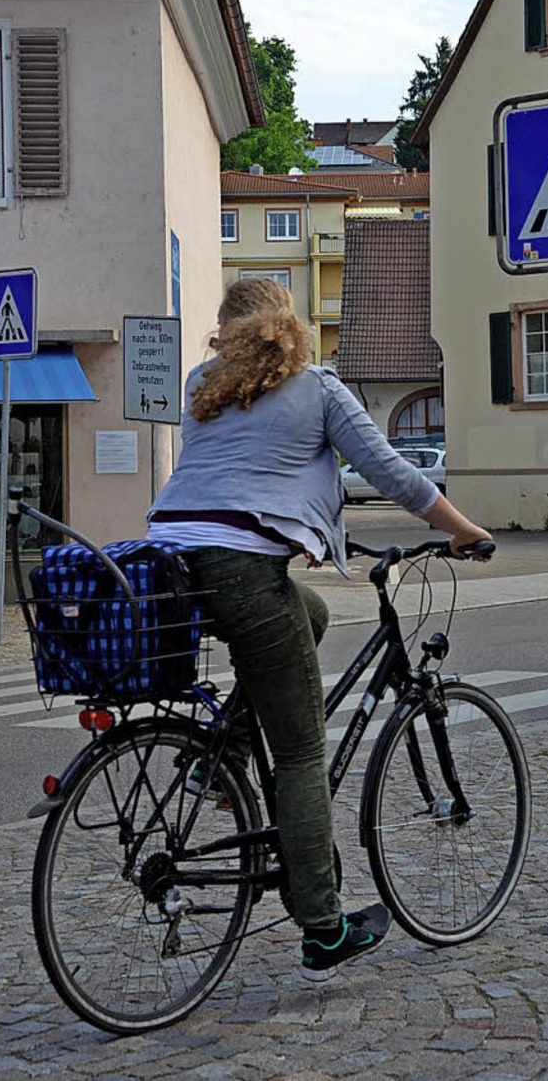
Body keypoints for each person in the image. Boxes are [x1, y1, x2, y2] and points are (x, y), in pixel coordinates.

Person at [147, 278, 493, 981]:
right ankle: (324, 927)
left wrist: (297, 520)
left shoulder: (198, 386)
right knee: (304, 751)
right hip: (243, 570)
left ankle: (224, 756)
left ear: (225, 330)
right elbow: (392, 473)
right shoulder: (319, 388)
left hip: (175, 565)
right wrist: (463, 531)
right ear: (290, 325)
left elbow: (243, 470)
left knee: (312, 611)